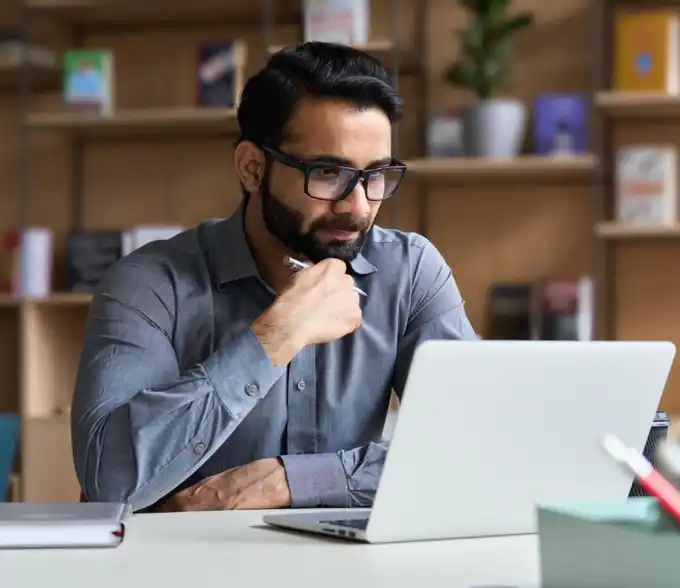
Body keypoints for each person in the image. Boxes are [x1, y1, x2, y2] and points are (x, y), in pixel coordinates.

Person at [70, 41, 477, 513]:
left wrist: (293, 482)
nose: (359, 206)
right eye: (328, 173)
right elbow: (109, 482)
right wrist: (276, 336)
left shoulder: (410, 273)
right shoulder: (148, 284)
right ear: (252, 168)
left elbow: (478, 448)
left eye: (376, 175)